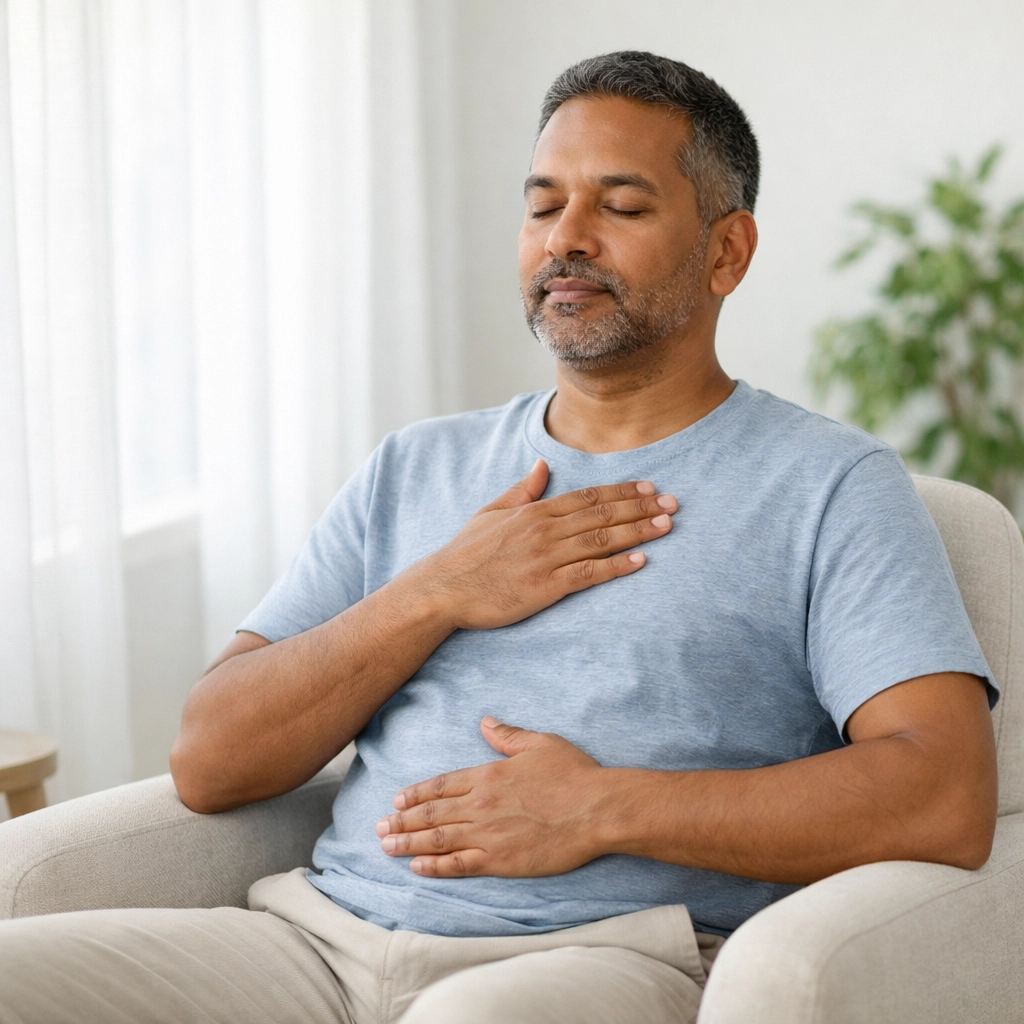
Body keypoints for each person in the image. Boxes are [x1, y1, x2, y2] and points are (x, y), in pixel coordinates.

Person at [0, 51, 998, 1024]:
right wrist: (435, 591)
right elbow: (210, 759)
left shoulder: (829, 486)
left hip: (596, 962)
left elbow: (941, 792)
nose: (565, 237)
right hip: (314, 945)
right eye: (540, 203)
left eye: (621, 204)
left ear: (726, 250)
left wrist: (601, 806)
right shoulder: (414, 466)